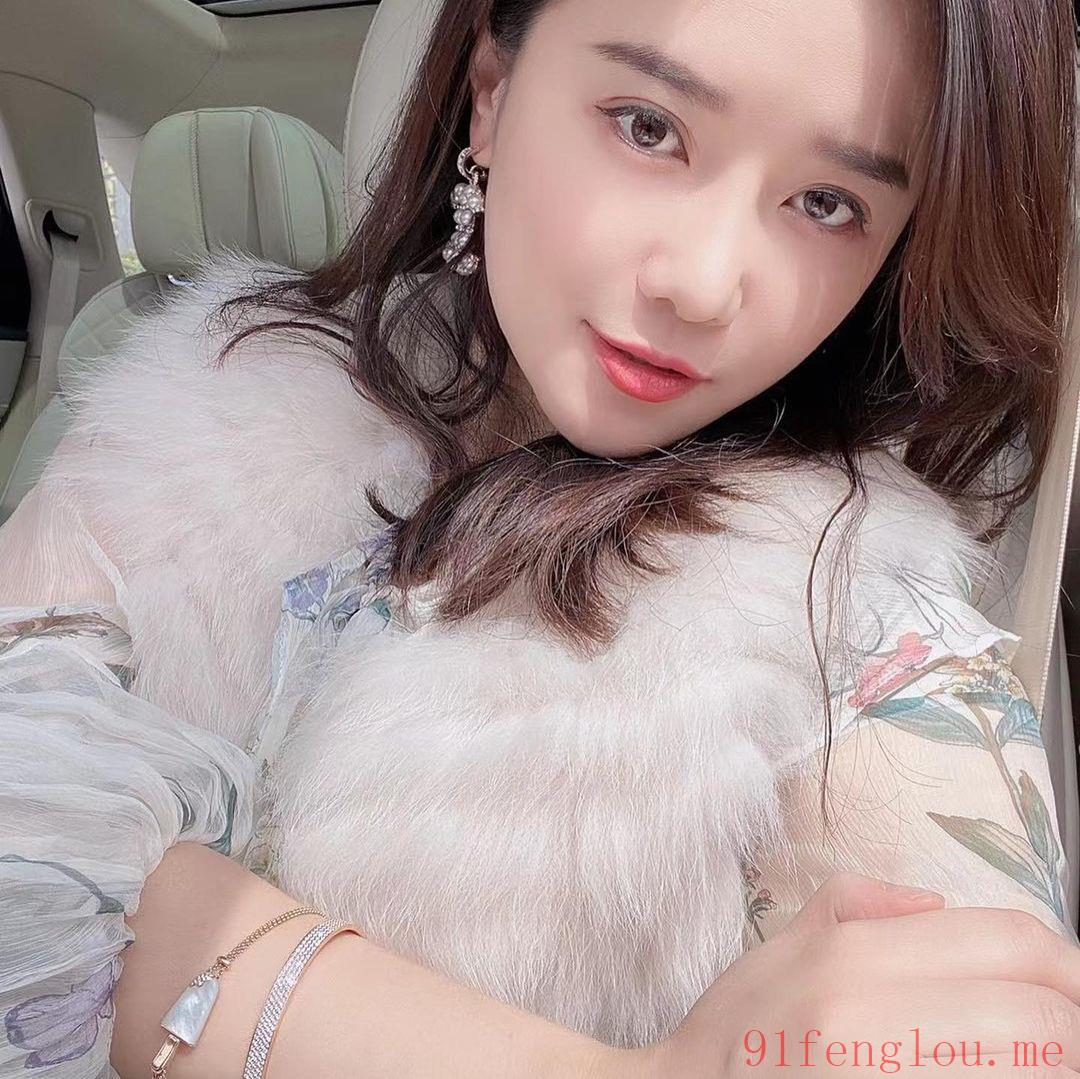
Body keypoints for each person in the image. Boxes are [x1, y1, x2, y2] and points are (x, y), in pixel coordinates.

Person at [1, 0, 1078, 1075]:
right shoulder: (196, 418)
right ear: (491, 94)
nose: (702, 283)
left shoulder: (856, 627)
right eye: (649, 127)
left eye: (827, 203)